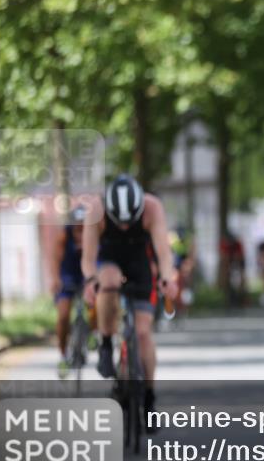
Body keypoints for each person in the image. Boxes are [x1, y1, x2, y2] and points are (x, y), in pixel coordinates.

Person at [81, 175, 178, 427]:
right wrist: (91, 281)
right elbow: (88, 258)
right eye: (119, 222)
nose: (124, 227)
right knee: (108, 281)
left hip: (140, 266)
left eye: (129, 222)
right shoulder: (96, 211)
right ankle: (105, 343)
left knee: (144, 333)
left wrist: (168, 279)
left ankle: (148, 396)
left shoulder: (152, 208)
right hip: (109, 262)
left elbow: (164, 253)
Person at [49, 206, 86, 377]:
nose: (81, 229)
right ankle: (63, 354)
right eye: (78, 225)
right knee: (63, 316)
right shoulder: (65, 235)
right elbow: (55, 258)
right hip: (68, 276)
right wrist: (56, 279)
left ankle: (92, 335)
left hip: (87, 276)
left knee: (98, 306)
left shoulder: (94, 235)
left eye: (84, 225)